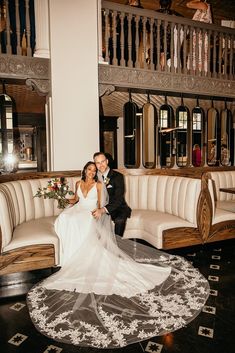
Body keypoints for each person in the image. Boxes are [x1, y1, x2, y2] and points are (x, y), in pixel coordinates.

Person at [27, 160, 209, 349]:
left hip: (90, 213)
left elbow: (99, 204)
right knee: (65, 217)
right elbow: (75, 200)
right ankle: (69, 256)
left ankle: (80, 256)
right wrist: (62, 198)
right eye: (88, 169)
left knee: (80, 220)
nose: (90, 172)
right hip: (79, 209)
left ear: (95, 171)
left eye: (93, 169)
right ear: (84, 171)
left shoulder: (98, 185)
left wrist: (97, 212)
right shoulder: (78, 183)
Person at [92, 151, 131, 237]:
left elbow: (119, 199)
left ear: (107, 161)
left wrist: (102, 210)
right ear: (95, 164)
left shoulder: (118, 177)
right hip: (98, 206)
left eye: (102, 161)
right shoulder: (93, 177)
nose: (101, 165)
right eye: (98, 163)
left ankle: (117, 244)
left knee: (120, 220)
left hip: (117, 207)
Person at [186, 0, 212, 72]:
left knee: (200, 55)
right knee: (195, 56)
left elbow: (188, 4)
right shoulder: (200, 9)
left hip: (201, 38)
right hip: (197, 38)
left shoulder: (204, 5)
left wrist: (197, 0)